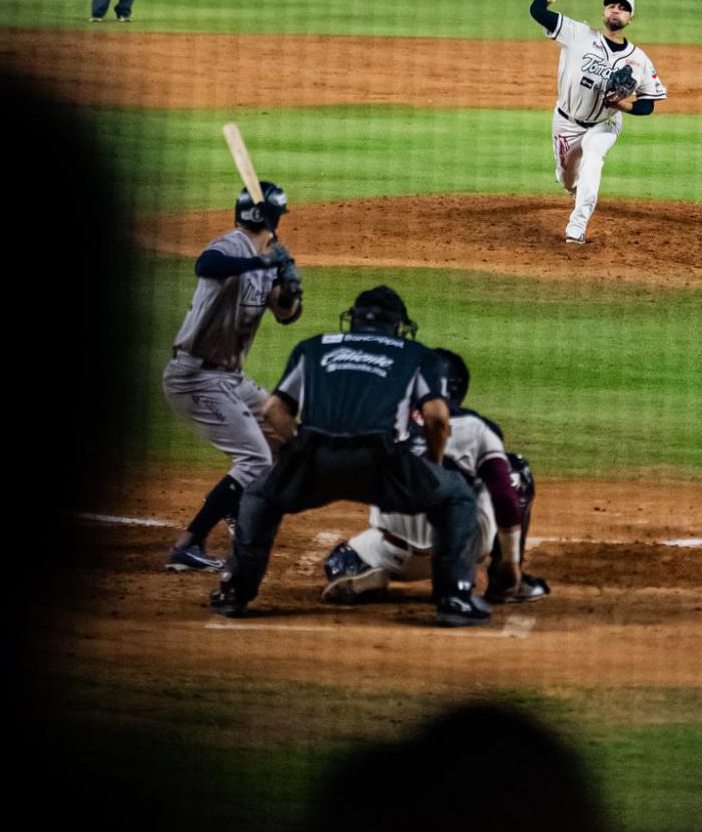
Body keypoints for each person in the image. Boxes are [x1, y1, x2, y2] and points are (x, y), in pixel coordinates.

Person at [211, 286, 489, 627]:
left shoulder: (312, 347)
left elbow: (272, 410)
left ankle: (233, 591)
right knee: (456, 495)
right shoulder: (418, 354)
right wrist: (433, 463)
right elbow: (437, 418)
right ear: (398, 326)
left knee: (258, 496)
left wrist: (298, 447)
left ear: (353, 320)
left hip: (315, 458)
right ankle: (454, 598)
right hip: (381, 463)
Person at [323, 347, 549, 606]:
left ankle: (362, 573)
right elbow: (504, 497)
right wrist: (511, 562)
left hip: (394, 553)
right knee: (515, 472)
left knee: (340, 559)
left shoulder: (381, 420)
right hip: (464, 549)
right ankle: (504, 579)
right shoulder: (477, 426)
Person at [162, 180, 303, 571]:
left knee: (285, 439)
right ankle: (188, 545)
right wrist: (263, 264)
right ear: (270, 217)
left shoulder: (268, 255)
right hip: (194, 377)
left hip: (230, 379)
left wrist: (289, 285)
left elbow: (286, 315)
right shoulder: (232, 246)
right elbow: (205, 266)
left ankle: (235, 506)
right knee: (255, 458)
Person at [530, 0, 667, 243]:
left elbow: (648, 104)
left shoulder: (639, 60)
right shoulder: (577, 34)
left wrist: (622, 105)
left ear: (630, 18)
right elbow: (537, 12)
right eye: (612, 6)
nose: (616, 10)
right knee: (567, 177)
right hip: (566, 121)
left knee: (593, 159)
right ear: (604, 12)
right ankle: (574, 188)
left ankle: (576, 227)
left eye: (623, 8)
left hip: (605, 123)